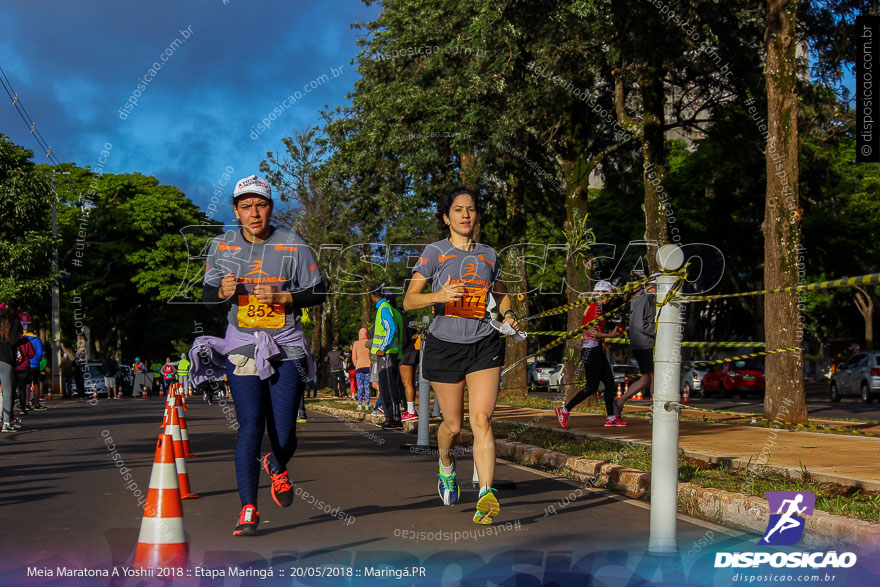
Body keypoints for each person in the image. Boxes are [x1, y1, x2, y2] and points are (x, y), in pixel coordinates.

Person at [198, 174, 325, 536]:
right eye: (246, 206)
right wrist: (220, 292)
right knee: (250, 426)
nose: (254, 212)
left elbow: (318, 293)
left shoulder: (292, 244)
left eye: (261, 204)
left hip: (287, 346)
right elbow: (208, 300)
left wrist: (284, 298)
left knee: (284, 433)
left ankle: (276, 461)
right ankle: (248, 509)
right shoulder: (222, 246)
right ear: (236, 211)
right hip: (243, 346)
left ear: (271, 207)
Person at [403, 187, 518, 525]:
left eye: (470, 209)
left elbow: (502, 294)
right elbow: (410, 301)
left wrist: (509, 315)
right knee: (452, 426)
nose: (465, 215)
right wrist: (438, 294)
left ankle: (486, 493)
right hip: (444, 345)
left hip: (484, 343)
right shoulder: (434, 253)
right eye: (458, 210)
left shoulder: (488, 254)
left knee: (481, 419)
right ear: (446, 218)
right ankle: (446, 467)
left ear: (476, 215)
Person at [555, 281, 624, 429]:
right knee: (591, 387)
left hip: (596, 350)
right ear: (600, 293)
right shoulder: (595, 308)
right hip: (591, 351)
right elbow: (590, 332)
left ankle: (611, 417)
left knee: (610, 384)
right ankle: (565, 410)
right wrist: (610, 335)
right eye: (608, 295)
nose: (610, 298)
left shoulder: (595, 307)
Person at [615, 277, 657, 420]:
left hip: (640, 343)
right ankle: (654, 413)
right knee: (655, 378)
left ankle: (620, 401)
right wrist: (658, 331)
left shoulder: (638, 298)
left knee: (645, 379)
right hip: (645, 344)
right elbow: (640, 325)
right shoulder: (644, 298)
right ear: (651, 286)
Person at [369, 285, 405, 429]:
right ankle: (391, 418)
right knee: (387, 386)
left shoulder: (384, 308)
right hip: (391, 353)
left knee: (389, 387)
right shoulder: (392, 310)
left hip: (387, 353)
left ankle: (394, 419)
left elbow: (391, 328)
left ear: (373, 296)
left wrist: (382, 348)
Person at [0, 306, 23, 432]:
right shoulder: (10, 326)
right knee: (7, 392)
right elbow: (14, 341)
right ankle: (6, 422)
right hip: (5, 360)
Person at [21, 317, 46, 410]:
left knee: (27, 384)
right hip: (35, 365)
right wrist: (38, 360)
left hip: (26, 364)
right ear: (35, 330)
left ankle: (26, 403)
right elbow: (40, 352)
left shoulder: (23, 338)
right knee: (36, 384)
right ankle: (36, 403)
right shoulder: (37, 339)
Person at [398, 318, 419, 422]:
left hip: (406, 354)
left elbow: (403, 340)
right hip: (413, 352)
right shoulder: (410, 323)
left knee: (407, 383)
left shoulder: (401, 323)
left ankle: (411, 411)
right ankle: (409, 410)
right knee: (409, 382)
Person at [351, 328, 372, 410]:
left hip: (359, 367)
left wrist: (356, 365)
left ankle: (359, 404)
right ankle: (367, 404)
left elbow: (353, 357)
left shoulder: (356, 343)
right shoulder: (369, 342)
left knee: (360, 387)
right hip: (368, 366)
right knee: (367, 386)